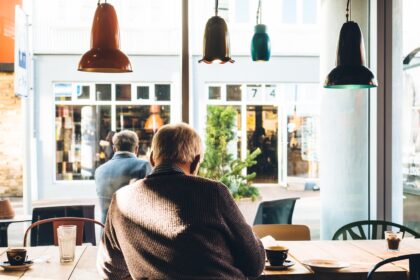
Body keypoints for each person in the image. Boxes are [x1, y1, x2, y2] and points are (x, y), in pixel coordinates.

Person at [97, 123, 265, 279]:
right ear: (196, 162)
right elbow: (255, 264)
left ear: (152, 159)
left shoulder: (120, 200)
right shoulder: (213, 193)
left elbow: (110, 270)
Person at [95, 130, 151, 224]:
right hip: (131, 232)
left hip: (105, 231)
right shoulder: (144, 166)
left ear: (114, 148)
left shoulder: (99, 170)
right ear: (136, 148)